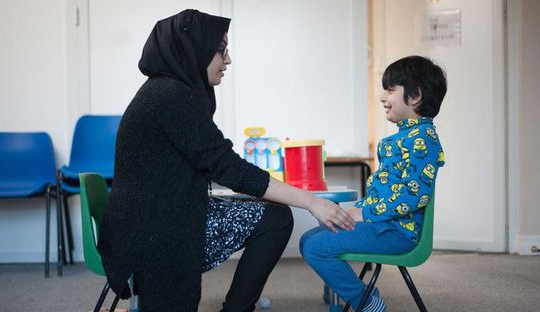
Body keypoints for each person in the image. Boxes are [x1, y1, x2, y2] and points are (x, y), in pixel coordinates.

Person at [97, 9, 355, 312]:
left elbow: (218, 163)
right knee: (275, 219)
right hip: (153, 231)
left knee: (273, 215)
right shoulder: (171, 96)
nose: (227, 59)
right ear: (193, 50)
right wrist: (312, 202)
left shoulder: (167, 91)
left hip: (158, 217)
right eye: (221, 49)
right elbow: (227, 167)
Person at [299, 55, 447, 311]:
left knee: (315, 246)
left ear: (415, 97)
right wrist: (359, 212)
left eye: (390, 90)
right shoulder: (405, 137)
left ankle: (367, 303)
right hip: (383, 225)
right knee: (309, 239)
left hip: (397, 232)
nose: (383, 97)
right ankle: (365, 296)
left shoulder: (422, 140)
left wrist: (363, 213)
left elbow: (414, 197)